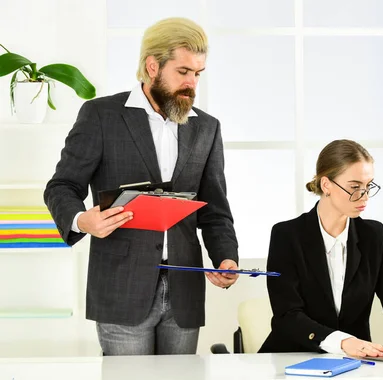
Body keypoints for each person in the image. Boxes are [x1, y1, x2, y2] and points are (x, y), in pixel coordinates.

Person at [44, 17, 239, 356]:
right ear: (152, 66)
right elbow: (61, 186)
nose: (192, 83)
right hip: (121, 287)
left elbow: (215, 210)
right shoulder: (101, 115)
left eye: (198, 73)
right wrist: (82, 220)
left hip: (184, 291)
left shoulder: (207, 128)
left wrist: (226, 257)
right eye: (183, 72)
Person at [258, 139, 383, 357]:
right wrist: (342, 342)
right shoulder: (287, 236)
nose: (364, 196)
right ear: (326, 185)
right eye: (355, 187)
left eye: (368, 186)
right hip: (293, 358)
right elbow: (288, 315)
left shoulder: (373, 236)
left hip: (354, 362)